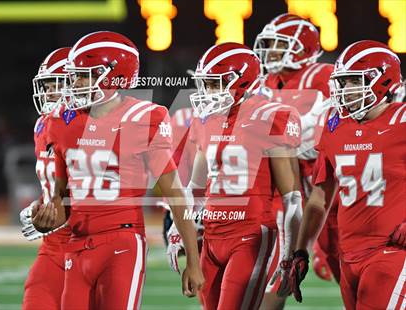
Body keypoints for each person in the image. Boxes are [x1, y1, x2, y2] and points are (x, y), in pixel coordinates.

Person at [32, 31, 204, 309]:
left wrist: (193, 262)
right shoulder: (60, 122)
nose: (74, 84)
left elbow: (176, 194)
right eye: (75, 76)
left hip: (122, 244)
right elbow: (62, 200)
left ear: (116, 75)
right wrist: (46, 220)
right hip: (76, 245)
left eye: (84, 76)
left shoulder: (144, 118)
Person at [166, 42, 303, 309]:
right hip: (212, 237)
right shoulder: (206, 120)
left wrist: (289, 257)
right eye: (205, 83)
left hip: (251, 236)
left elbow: (292, 197)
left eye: (214, 84)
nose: (207, 92)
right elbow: (195, 188)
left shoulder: (269, 117)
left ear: (240, 82)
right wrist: (176, 229)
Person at [290, 40, 406, 310]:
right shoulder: (334, 125)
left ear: (384, 80)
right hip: (349, 254)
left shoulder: (402, 121)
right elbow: (319, 197)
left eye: (354, 81)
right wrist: (301, 249)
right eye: (343, 83)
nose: (346, 90)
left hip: (391, 251)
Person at [253, 13, 340, 308]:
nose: (271, 51)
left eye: (278, 44)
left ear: (302, 48)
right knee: (277, 277)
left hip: (328, 188)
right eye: (270, 44)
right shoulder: (265, 81)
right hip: (284, 191)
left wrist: (317, 137)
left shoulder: (323, 76)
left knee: (347, 264)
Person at [19, 47, 71, 310]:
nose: (50, 91)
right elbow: (54, 185)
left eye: (57, 84)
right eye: (47, 84)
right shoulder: (43, 125)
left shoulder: (94, 128)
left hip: (86, 243)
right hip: (52, 247)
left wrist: (59, 215)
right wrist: (41, 207)